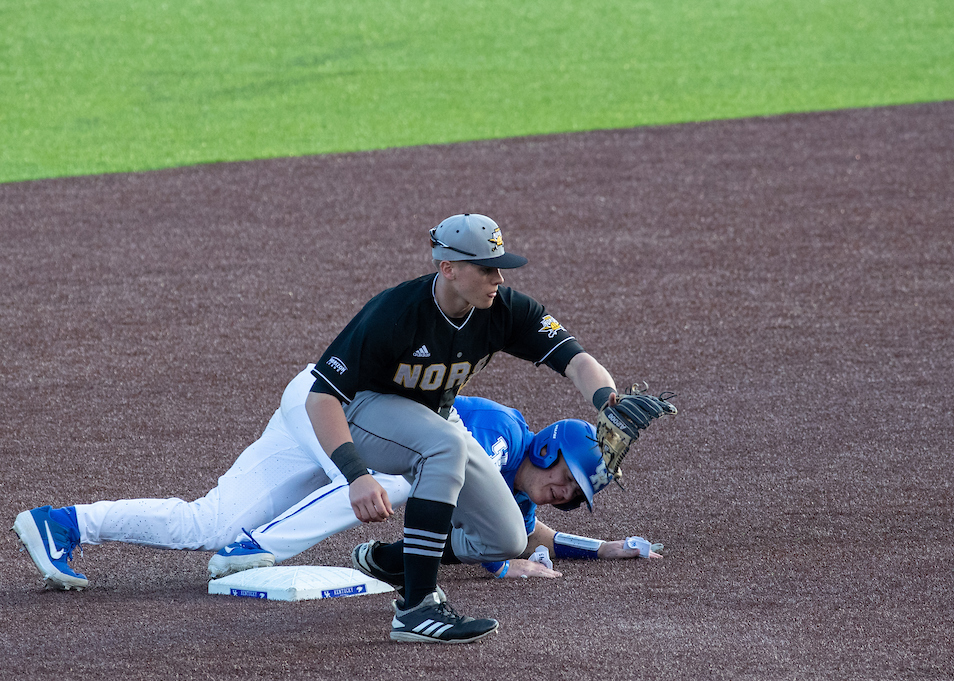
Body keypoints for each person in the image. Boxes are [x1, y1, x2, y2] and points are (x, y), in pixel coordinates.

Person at [299, 212, 666, 644]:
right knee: (446, 444)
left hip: (433, 419)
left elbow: (576, 360)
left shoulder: (506, 311)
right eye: (486, 267)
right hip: (362, 414)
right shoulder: (394, 311)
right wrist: (357, 474)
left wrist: (607, 398)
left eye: (499, 266)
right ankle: (417, 608)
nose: (498, 277)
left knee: (507, 538)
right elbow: (320, 398)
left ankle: (392, 561)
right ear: (448, 268)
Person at [12, 367, 661, 597]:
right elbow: (450, 483)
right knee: (397, 482)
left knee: (202, 522)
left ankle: (65, 523)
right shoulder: (497, 432)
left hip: (318, 419)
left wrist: (606, 548)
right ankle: (254, 549)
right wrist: (496, 567)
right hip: (330, 406)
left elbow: (523, 533)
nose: (567, 496)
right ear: (546, 449)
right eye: (568, 483)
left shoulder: (512, 487)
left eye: (576, 497)